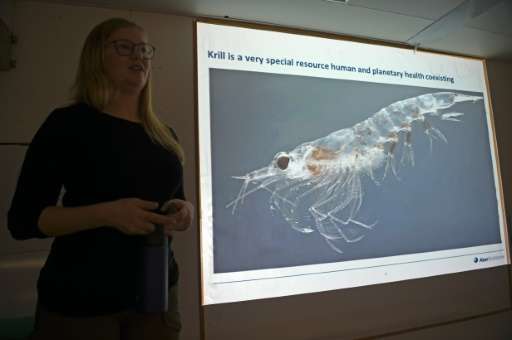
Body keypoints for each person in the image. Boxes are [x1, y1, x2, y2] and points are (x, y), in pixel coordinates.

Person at [7, 17, 193, 340]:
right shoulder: (67, 125)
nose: (139, 56)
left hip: (156, 297)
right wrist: (107, 214)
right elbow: (23, 221)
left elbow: (175, 202)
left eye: (145, 50)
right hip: (81, 302)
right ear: (96, 57)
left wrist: (184, 211)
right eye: (125, 47)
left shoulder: (165, 136)